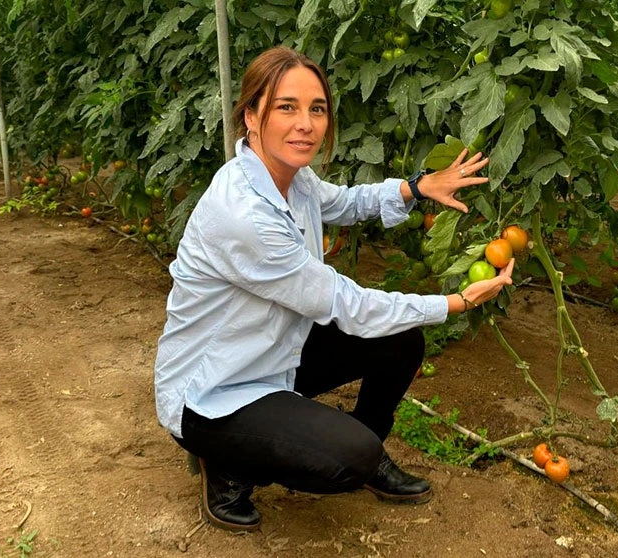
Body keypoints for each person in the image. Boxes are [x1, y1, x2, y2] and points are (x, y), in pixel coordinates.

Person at [153, 45, 514, 532]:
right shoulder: (244, 213)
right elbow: (346, 304)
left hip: (269, 351)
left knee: (400, 340)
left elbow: (345, 202)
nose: (305, 123)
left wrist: (416, 186)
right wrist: (456, 301)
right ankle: (226, 464)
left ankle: (356, 444)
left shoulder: (292, 178)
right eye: (287, 107)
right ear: (251, 116)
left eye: (316, 109)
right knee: (349, 457)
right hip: (216, 390)